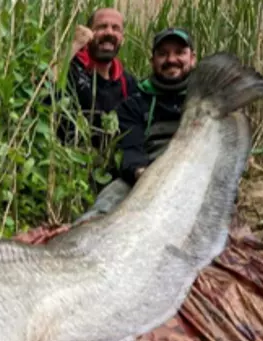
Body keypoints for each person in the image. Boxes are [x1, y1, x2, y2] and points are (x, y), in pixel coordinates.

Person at [74, 27, 197, 224]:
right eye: (163, 54)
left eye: (179, 53)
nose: (171, 60)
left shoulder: (208, 101)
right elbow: (130, 149)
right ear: (152, 61)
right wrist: (144, 176)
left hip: (196, 174)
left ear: (192, 58)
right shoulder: (135, 103)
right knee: (104, 206)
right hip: (146, 176)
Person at [53, 8, 138, 151]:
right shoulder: (71, 67)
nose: (109, 32)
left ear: (122, 39)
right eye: (102, 27)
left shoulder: (127, 82)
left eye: (116, 28)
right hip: (69, 160)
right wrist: (74, 46)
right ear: (88, 33)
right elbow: (43, 88)